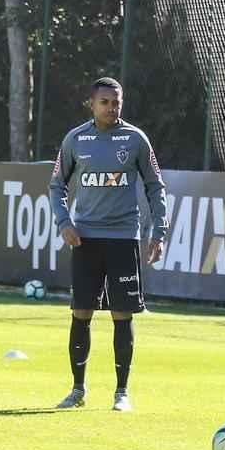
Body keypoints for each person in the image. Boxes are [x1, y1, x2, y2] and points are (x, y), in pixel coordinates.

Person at [48, 77, 168, 412]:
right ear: (92, 104)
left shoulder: (135, 139)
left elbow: (155, 186)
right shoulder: (76, 138)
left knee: (122, 315)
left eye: (116, 102)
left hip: (123, 239)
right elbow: (56, 186)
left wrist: (158, 232)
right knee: (81, 313)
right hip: (86, 238)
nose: (111, 108)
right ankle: (77, 389)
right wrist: (64, 222)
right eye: (105, 102)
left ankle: (121, 393)